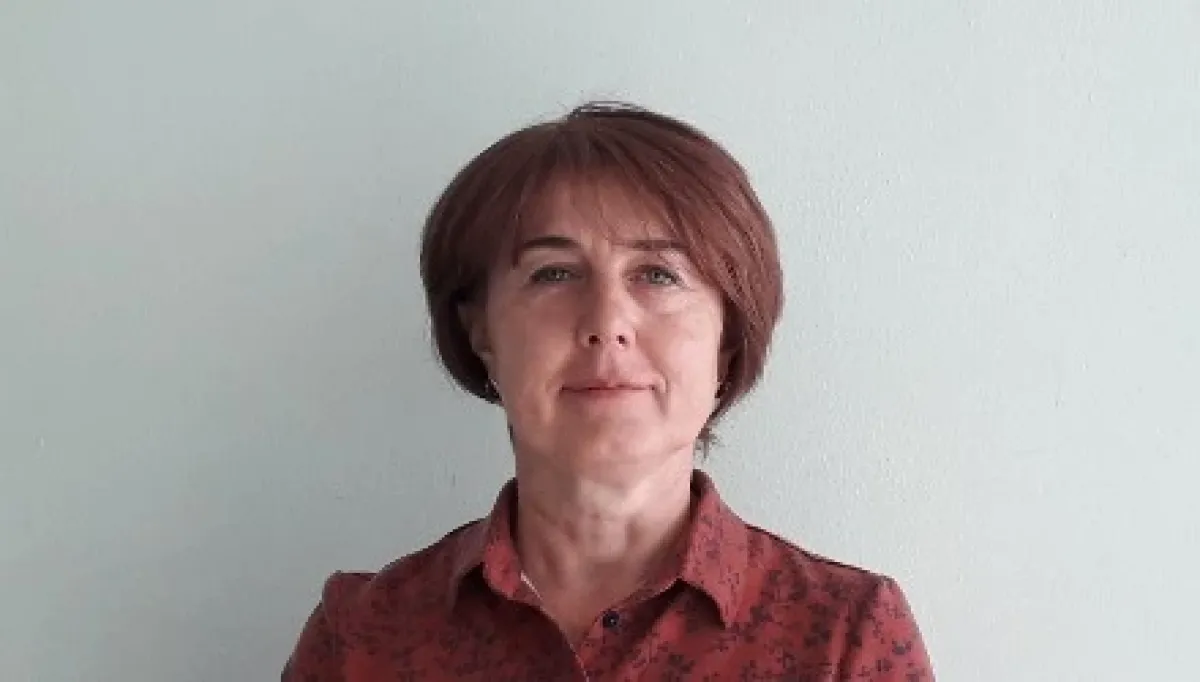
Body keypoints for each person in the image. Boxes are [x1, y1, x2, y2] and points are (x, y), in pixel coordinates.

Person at [282, 101, 934, 680]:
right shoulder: (363, 637)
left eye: (657, 274)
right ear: (480, 330)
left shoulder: (845, 636)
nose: (607, 323)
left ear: (728, 336)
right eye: (554, 273)